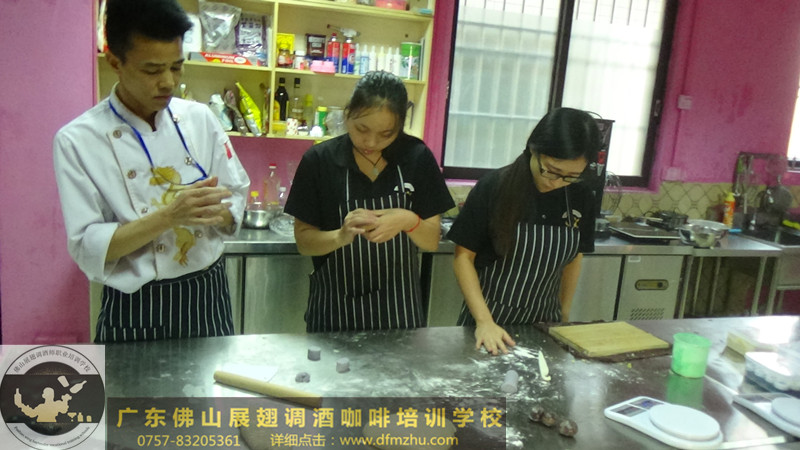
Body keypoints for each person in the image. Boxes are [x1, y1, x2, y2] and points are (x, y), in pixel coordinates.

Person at [53, 0, 250, 343]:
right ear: (115, 61)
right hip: (135, 305)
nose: (168, 82)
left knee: (211, 381)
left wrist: (218, 213)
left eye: (177, 66)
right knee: (127, 383)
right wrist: (170, 216)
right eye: (152, 70)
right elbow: (88, 246)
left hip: (207, 293)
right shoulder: (78, 140)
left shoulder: (200, 119)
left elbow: (234, 196)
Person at [284, 71, 455, 332]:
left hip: (399, 316)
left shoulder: (417, 158)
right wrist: (340, 236)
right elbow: (304, 242)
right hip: (334, 315)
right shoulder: (319, 161)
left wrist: (408, 220)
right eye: (361, 129)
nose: (371, 142)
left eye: (386, 134)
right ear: (347, 114)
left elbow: (431, 241)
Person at [448, 108, 601, 355]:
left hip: (545, 323)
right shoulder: (495, 186)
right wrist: (484, 322)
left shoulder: (581, 196)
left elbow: (574, 258)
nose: (556, 182)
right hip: (488, 324)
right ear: (534, 149)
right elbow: (463, 258)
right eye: (551, 170)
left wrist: (563, 315)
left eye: (570, 176)